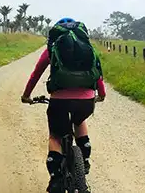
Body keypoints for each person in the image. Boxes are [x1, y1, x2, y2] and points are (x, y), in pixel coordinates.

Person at [20, 18, 106, 193]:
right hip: (86, 101)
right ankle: (85, 158)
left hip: (59, 101)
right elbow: (97, 75)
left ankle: (56, 178)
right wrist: (101, 95)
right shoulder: (88, 49)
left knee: (55, 136)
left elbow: (36, 74)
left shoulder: (52, 49)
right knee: (80, 120)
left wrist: (27, 95)